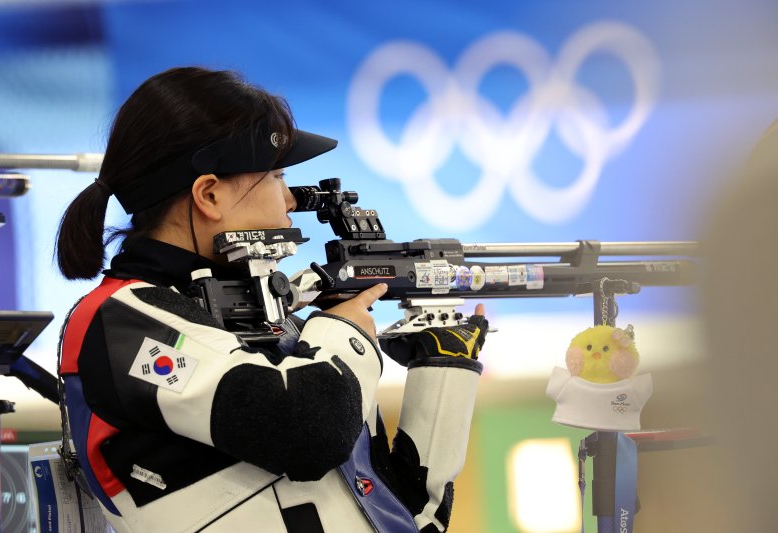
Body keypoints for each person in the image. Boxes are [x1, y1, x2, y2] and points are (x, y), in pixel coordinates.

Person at [55, 66, 488, 533]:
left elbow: (412, 516)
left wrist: (443, 372)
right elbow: (309, 435)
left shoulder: (290, 333)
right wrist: (342, 331)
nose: (289, 200)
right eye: (277, 175)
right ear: (209, 194)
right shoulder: (118, 321)